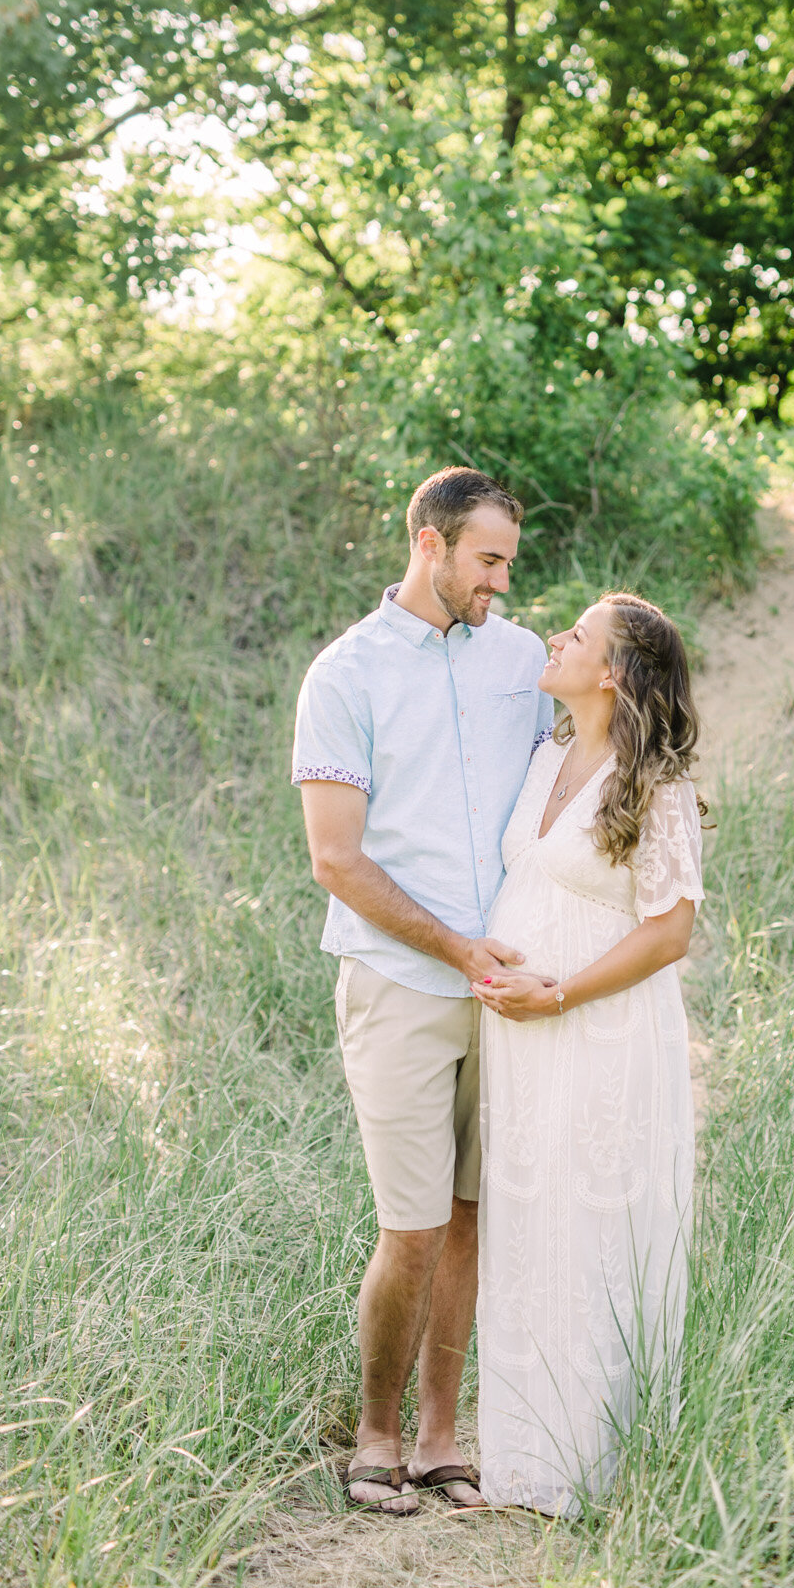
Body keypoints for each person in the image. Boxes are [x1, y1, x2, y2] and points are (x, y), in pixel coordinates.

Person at [293, 467, 552, 1516]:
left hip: (509, 994)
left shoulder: (524, 657)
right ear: (429, 543)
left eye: (507, 564)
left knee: (473, 1214)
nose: (499, 582)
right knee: (411, 1224)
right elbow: (336, 859)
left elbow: (562, 795)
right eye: (486, 560)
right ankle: (375, 1430)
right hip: (401, 981)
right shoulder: (344, 674)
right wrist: (457, 947)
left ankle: (444, 1434)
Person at [473, 592, 703, 1516]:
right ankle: (523, 1457)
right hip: (521, 1038)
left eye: (577, 633)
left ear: (610, 672)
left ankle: (598, 1467)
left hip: (601, 1032)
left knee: (594, 1226)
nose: (555, 636)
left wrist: (559, 991)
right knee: (527, 1223)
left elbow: (671, 931)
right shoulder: (545, 757)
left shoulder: (654, 783)